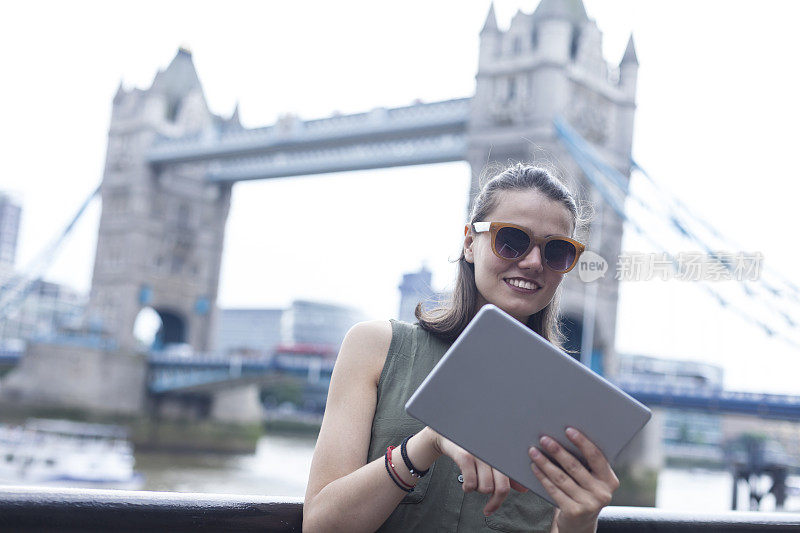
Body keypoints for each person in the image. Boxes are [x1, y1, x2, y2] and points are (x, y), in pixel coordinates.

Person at [303, 163, 620, 532]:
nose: (534, 262)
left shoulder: (579, 402)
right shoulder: (375, 348)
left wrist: (580, 522)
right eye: (512, 240)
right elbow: (321, 526)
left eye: (557, 251)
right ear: (469, 242)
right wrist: (428, 442)